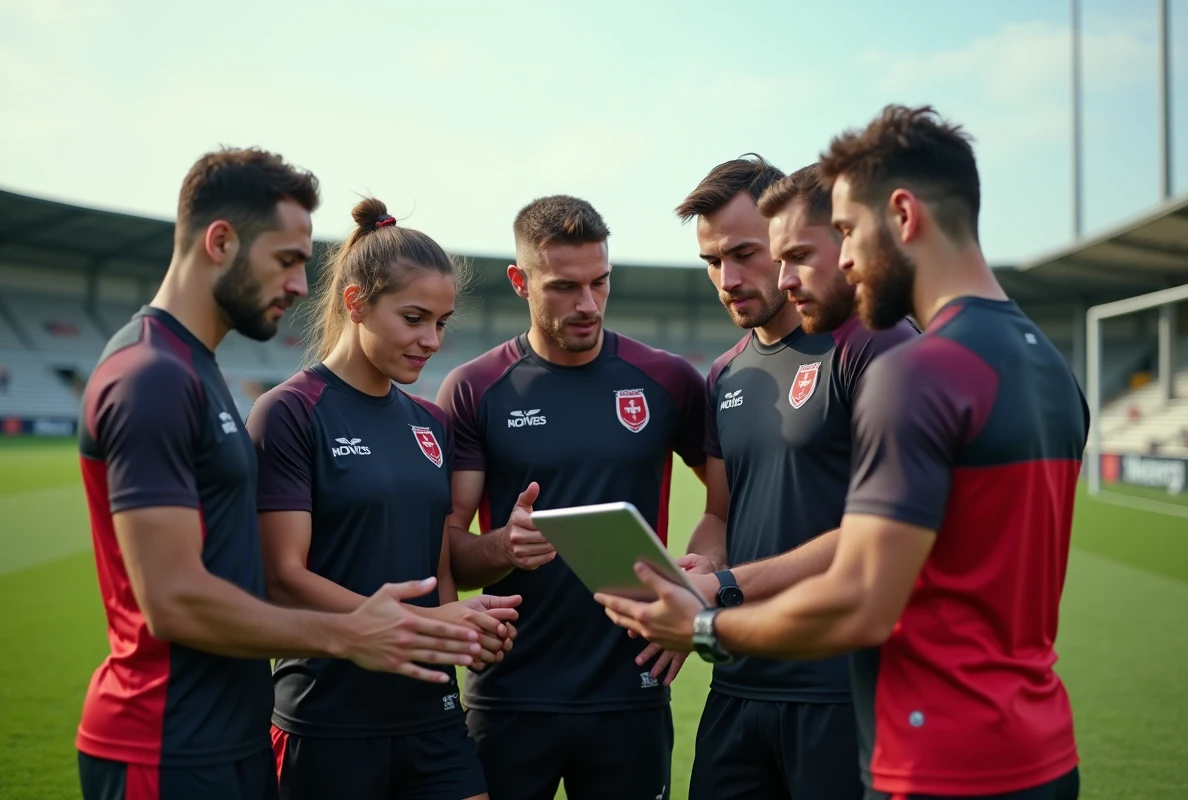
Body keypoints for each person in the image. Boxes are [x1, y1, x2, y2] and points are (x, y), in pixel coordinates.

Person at [596, 105, 1086, 800]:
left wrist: (706, 620)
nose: (844, 259)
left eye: (845, 234)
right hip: (1034, 745)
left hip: (930, 751)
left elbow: (863, 597)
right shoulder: (1049, 366)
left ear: (904, 216)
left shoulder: (912, 368)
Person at [76, 148, 486, 800]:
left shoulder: (195, 371)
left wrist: (441, 616)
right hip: (166, 738)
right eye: (288, 260)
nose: (301, 285)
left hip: (230, 731)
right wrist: (360, 632)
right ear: (221, 241)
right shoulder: (152, 375)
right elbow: (174, 598)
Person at [652, 156, 917, 800]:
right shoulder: (724, 374)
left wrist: (724, 588)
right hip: (737, 683)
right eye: (712, 262)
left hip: (841, 688)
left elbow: (876, 534)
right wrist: (697, 570)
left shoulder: (876, 346)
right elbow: (720, 512)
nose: (728, 278)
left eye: (744, 253)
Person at [247, 198, 521, 800]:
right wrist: (430, 624)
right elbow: (282, 576)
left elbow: (437, 561)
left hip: (433, 713)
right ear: (356, 304)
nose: (431, 340)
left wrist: (464, 630)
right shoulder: (291, 413)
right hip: (326, 717)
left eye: (442, 323)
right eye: (415, 318)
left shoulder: (431, 421)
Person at [435, 194, 707, 800]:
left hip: (631, 686)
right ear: (519, 281)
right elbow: (449, 545)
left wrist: (695, 594)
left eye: (599, 282)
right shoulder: (475, 389)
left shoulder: (666, 381)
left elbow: (727, 504)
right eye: (563, 287)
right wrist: (505, 545)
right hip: (508, 691)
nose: (588, 305)